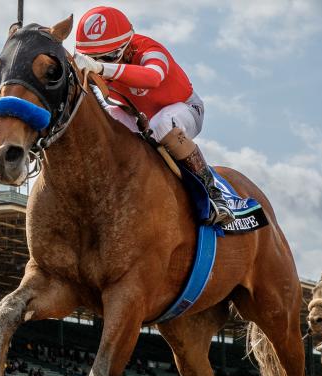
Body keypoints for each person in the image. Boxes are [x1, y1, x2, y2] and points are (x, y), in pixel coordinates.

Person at [72, 6, 234, 226]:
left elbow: (153, 77)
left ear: (127, 44)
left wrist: (100, 67)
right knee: (107, 123)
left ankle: (213, 193)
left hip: (186, 109)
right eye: (91, 58)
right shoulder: (102, 64)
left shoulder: (150, 49)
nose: (101, 63)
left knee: (162, 123)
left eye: (108, 57)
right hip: (140, 117)